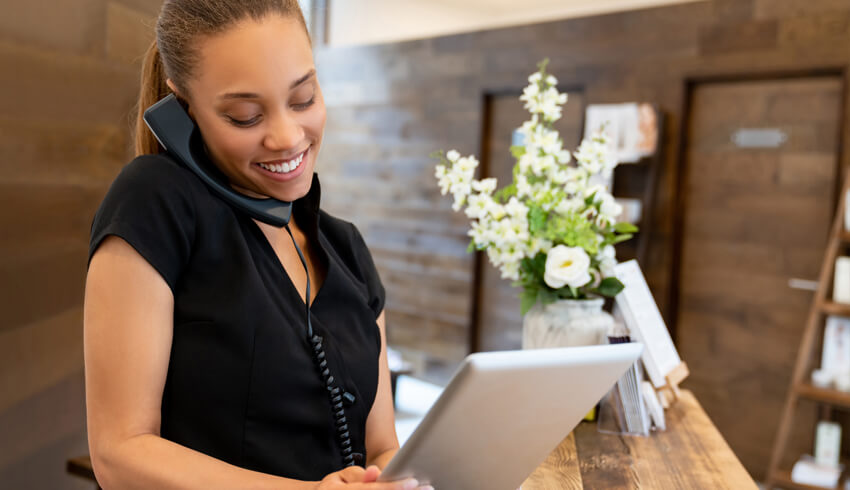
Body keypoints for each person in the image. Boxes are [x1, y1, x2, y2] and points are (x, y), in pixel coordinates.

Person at [83, 1, 429, 488]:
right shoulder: (155, 201)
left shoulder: (346, 247)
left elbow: (381, 446)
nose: (287, 138)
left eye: (304, 98)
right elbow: (120, 454)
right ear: (183, 109)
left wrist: (402, 477)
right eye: (245, 116)